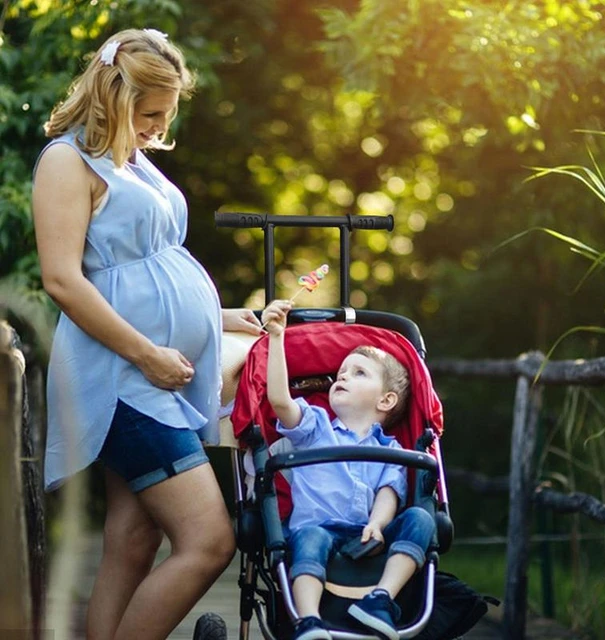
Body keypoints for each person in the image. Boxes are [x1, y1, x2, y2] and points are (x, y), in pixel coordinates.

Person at [32, 29, 262, 640]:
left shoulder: (131, 160)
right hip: (120, 376)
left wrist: (218, 317)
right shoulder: (67, 160)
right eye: (150, 113)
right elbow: (63, 279)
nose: (161, 126)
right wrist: (149, 356)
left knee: (134, 539)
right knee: (210, 541)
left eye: (168, 112)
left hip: (153, 370)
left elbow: (150, 273)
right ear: (112, 97)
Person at [262, 300, 436, 640]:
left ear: (386, 401)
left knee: (422, 519)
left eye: (358, 373)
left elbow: (388, 494)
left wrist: (378, 523)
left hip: (367, 537)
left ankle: (380, 597)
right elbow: (281, 401)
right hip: (317, 529)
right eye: (341, 373)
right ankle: (308, 620)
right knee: (309, 537)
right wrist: (278, 338)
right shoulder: (314, 426)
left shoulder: (391, 451)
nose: (342, 376)